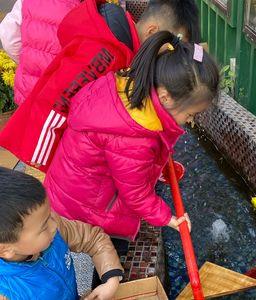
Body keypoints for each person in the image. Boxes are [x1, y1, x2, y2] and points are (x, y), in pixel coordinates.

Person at [45, 31, 219, 241]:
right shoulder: (135, 137)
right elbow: (135, 194)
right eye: (190, 114)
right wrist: (169, 218)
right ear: (165, 97)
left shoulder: (127, 85)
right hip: (84, 210)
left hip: (71, 188)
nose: (190, 121)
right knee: (111, 251)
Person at [0, 0, 200, 172]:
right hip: (47, 143)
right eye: (170, 48)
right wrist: (48, 161)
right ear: (152, 31)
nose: (170, 58)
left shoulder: (123, 39)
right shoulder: (105, 53)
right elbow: (57, 102)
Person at [0, 167, 124, 300]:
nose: (54, 226)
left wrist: (111, 279)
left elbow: (93, 238)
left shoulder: (52, 226)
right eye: (44, 227)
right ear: (5, 249)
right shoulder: (6, 293)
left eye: (49, 215)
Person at [0, 0, 81, 105]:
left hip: (30, 90)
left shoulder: (25, 2)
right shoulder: (83, 5)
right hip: (65, 92)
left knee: (29, 119)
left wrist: (26, 59)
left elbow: (8, 37)